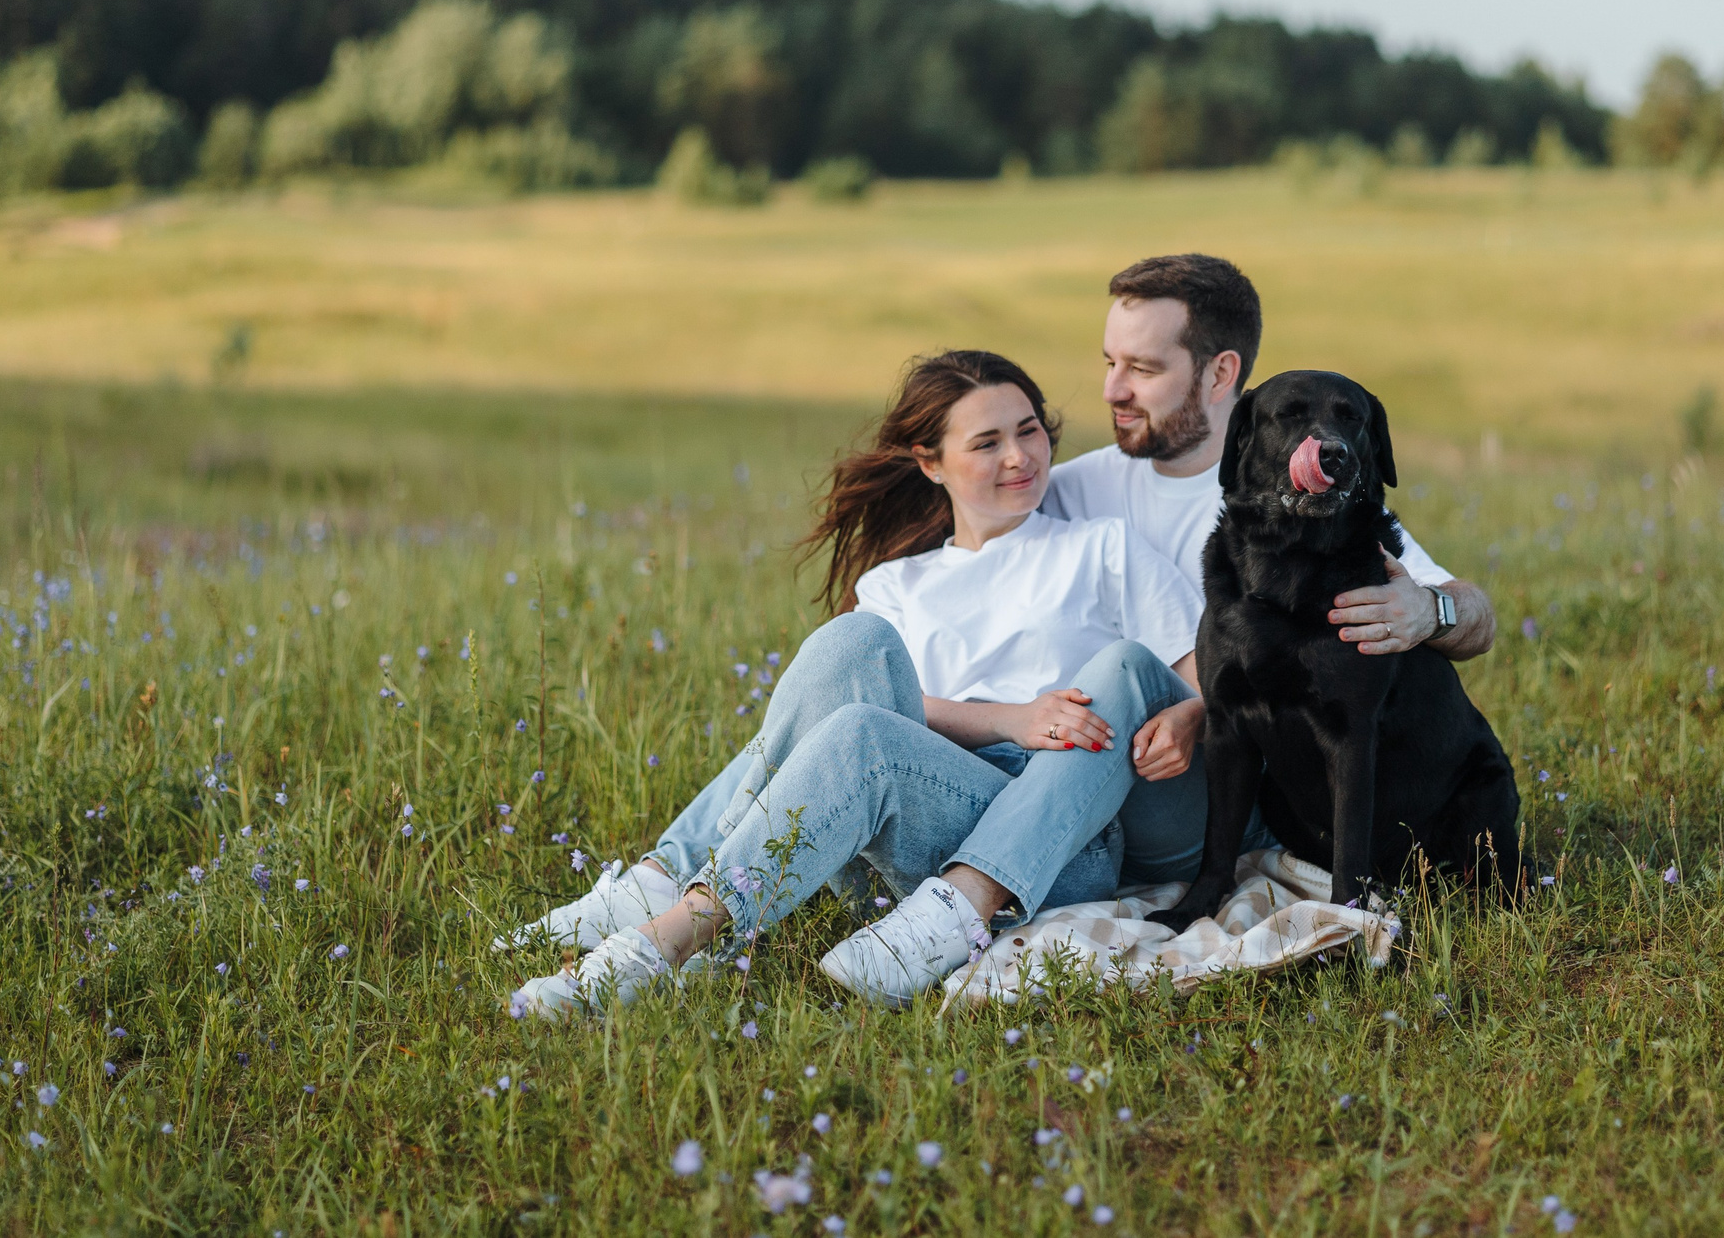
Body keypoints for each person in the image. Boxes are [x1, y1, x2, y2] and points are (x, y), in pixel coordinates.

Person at [506, 349, 1201, 1014]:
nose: (1019, 456)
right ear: (930, 462)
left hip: (1060, 829)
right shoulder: (896, 584)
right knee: (851, 644)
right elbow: (876, 712)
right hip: (929, 810)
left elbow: (1198, 676)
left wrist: (1190, 716)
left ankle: (666, 928)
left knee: (1107, 667)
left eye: (1029, 431)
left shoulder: (1101, 548)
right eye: (987, 442)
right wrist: (1008, 718)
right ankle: (678, 888)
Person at [1039, 253, 1498, 883]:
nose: (1113, 390)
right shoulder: (1069, 488)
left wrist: (1430, 609)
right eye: (1109, 363)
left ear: (1220, 372)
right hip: (1096, 768)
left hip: (1231, 791)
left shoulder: (1330, 505)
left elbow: (1478, 620)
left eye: (1142, 368)